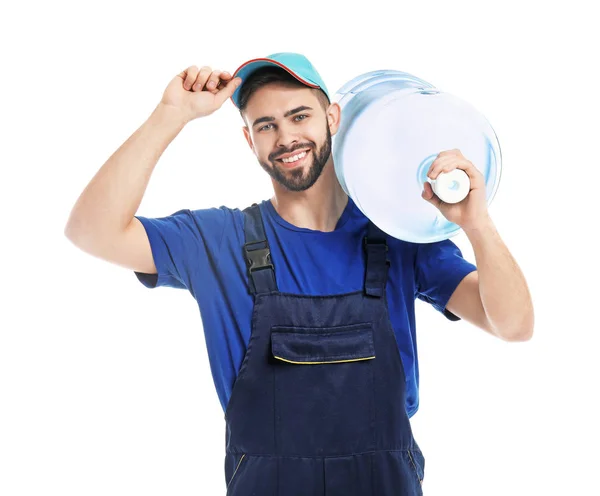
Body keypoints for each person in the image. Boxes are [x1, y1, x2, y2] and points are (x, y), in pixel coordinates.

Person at [65, 52, 534, 495]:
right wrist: (169, 115)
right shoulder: (218, 239)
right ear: (249, 140)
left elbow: (513, 325)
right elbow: (91, 231)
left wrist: (477, 223)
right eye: (265, 125)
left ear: (332, 118)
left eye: (299, 116)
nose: (286, 137)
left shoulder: (397, 236)